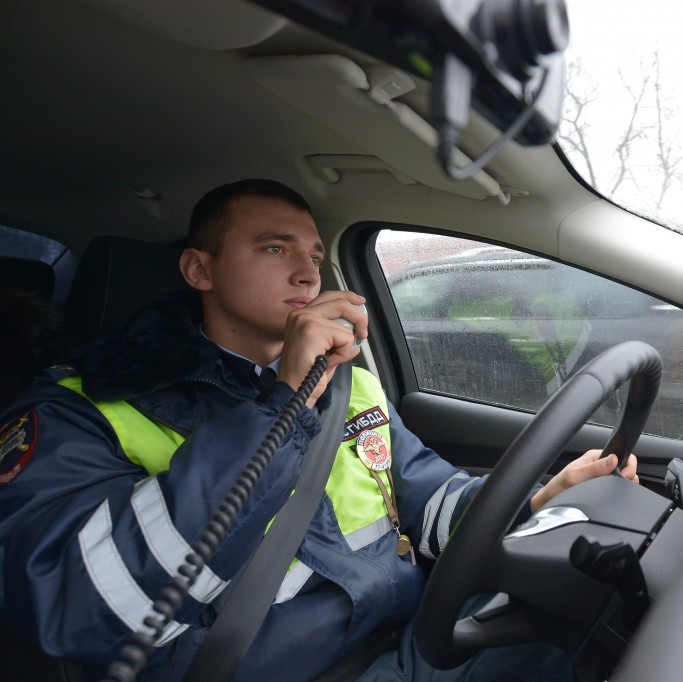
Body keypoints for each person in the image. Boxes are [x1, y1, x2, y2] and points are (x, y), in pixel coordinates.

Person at [0, 179, 639, 680]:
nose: (309, 273)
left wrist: (536, 498)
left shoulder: (345, 383)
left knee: (608, 614)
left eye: (311, 253)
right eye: (274, 249)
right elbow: (84, 601)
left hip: (411, 638)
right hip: (280, 670)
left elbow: (428, 501)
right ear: (200, 271)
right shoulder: (79, 411)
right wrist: (281, 407)